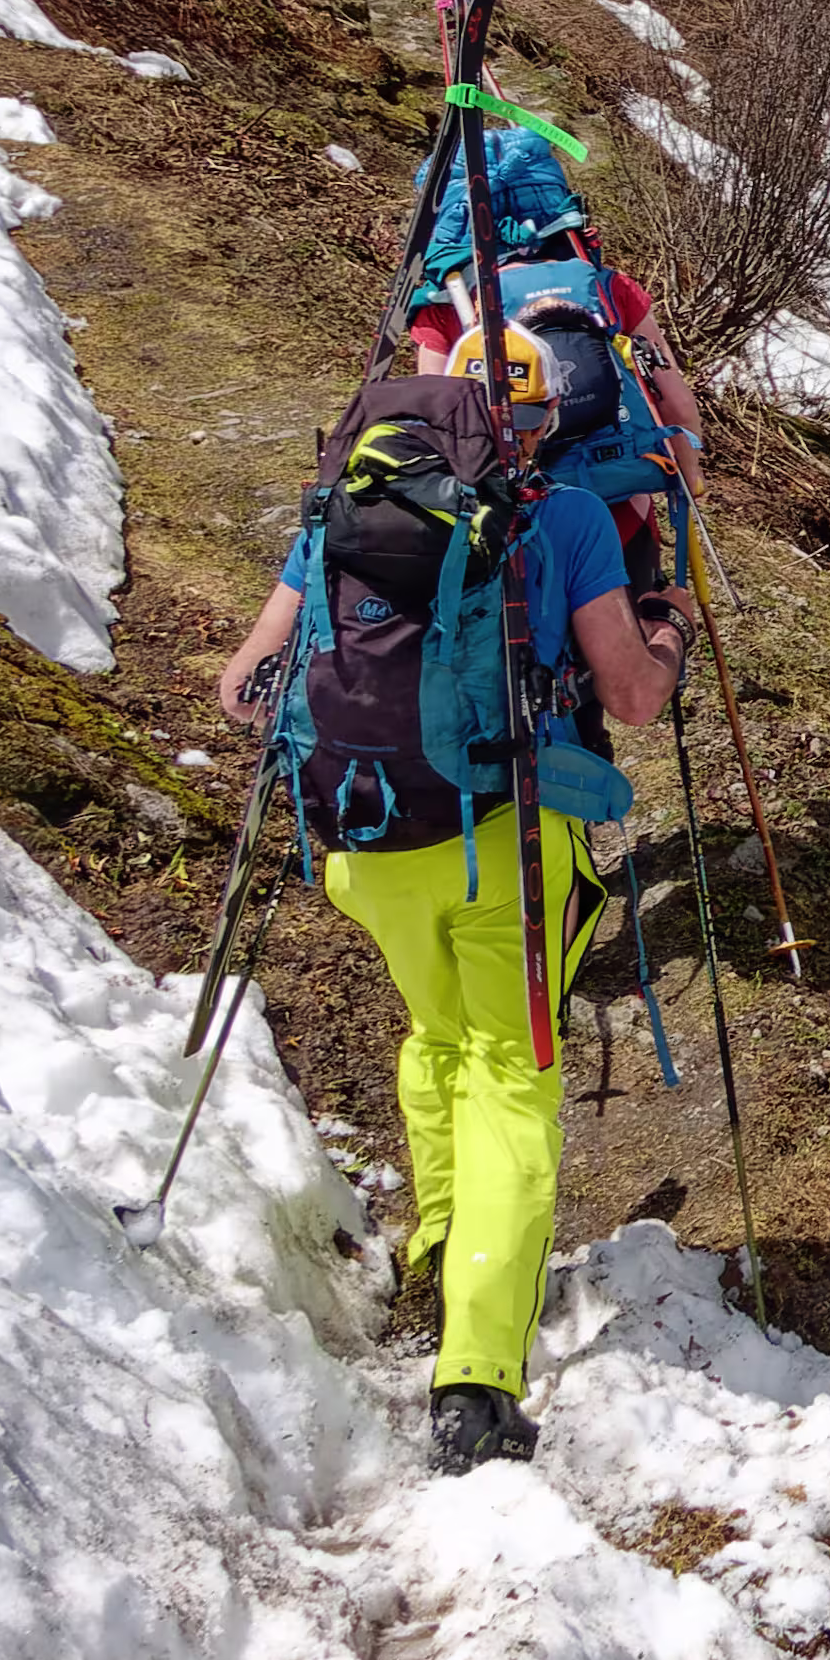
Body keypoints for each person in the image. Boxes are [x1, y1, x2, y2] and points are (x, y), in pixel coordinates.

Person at [212, 295, 690, 1472]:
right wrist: (667, 626)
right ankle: (478, 1374)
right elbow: (631, 696)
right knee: (515, 1079)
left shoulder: (339, 506)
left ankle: (440, 1239)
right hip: (501, 851)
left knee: (435, 1036)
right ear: (532, 421)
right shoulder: (563, 516)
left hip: (363, 848)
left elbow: (243, 684)